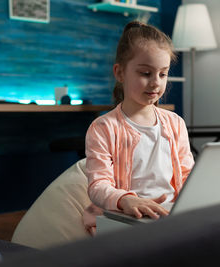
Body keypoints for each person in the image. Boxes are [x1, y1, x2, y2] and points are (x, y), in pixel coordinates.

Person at [83, 21, 195, 235]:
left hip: (169, 215)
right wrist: (126, 200)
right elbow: (98, 185)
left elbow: (187, 174)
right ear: (120, 73)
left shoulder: (175, 123)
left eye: (163, 74)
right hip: (125, 217)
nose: (155, 82)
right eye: (146, 73)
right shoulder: (103, 127)